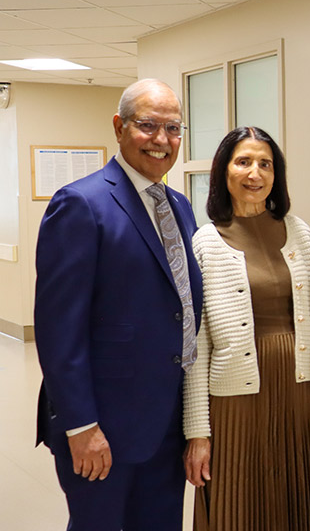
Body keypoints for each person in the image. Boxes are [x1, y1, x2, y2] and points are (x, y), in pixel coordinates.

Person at [34, 78, 202, 530]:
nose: (162, 140)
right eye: (148, 126)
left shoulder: (180, 207)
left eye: (173, 129)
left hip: (166, 422)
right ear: (119, 127)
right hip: (103, 427)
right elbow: (58, 331)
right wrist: (81, 426)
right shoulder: (81, 205)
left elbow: (182, 304)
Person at [182, 126, 310, 530]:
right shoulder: (204, 243)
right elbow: (197, 344)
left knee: (304, 502)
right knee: (239, 505)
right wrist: (197, 433)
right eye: (243, 162)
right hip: (236, 402)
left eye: (265, 164)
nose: (255, 173)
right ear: (224, 171)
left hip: (302, 393)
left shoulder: (300, 231)